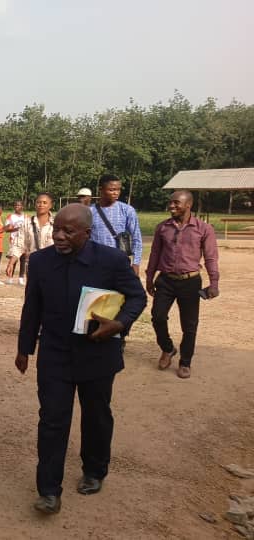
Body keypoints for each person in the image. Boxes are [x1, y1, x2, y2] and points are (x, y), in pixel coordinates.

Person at [15, 204, 146, 515]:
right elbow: (31, 306)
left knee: (96, 416)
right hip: (55, 355)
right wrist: (24, 348)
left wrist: (120, 323)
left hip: (97, 354)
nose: (59, 236)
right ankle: (48, 491)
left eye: (68, 232)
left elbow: (137, 296)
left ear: (87, 234)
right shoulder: (41, 261)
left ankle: (94, 470)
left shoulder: (111, 260)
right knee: (52, 421)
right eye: (57, 229)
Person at [145, 190, 219, 379]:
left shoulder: (203, 228)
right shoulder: (163, 227)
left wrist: (214, 283)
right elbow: (154, 254)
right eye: (170, 203)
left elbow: (211, 257)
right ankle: (168, 348)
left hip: (191, 282)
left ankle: (185, 362)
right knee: (157, 316)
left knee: (189, 325)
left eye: (176, 203)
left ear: (188, 205)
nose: (171, 206)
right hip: (166, 280)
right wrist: (149, 278)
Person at [90, 174, 143, 275]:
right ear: (101, 189)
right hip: (96, 264)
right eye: (111, 190)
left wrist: (136, 264)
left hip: (120, 263)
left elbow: (136, 238)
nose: (116, 193)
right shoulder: (89, 211)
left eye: (118, 189)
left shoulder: (127, 210)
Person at [9, 193, 56, 285]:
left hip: (52, 266)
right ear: (35, 204)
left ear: (50, 205)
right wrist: (11, 263)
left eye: (45, 202)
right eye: (38, 202)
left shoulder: (57, 223)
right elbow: (19, 244)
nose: (41, 205)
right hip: (33, 266)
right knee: (33, 295)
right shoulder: (27, 223)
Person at [4, 200, 26, 284]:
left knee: (23, 259)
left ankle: (21, 278)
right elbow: (6, 229)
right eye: (15, 205)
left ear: (22, 207)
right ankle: (10, 277)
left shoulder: (26, 216)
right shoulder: (10, 217)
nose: (17, 207)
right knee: (13, 260)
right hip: (14, 240)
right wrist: (16, 229)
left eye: (19, 205)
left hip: (23, 241)